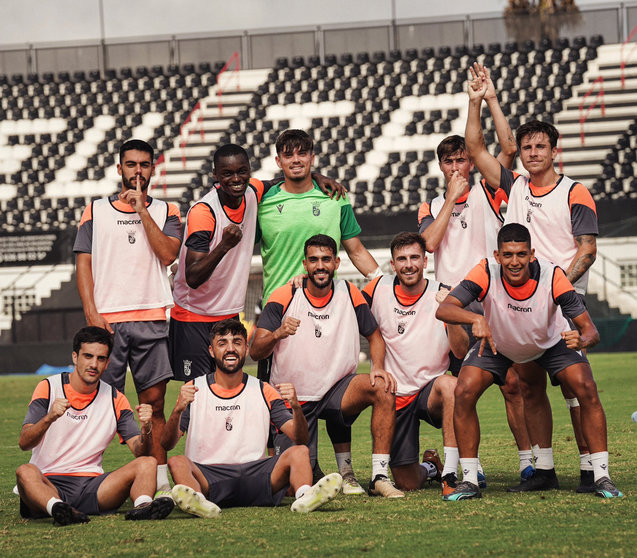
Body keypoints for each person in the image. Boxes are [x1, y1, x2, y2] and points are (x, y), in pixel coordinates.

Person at [465, 65, 600, 492]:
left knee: (576, 390)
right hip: (516, 302)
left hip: (560, 303)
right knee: (528, 384)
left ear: (555, 150)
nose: (533, 153)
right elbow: (476, 146)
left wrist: (558, 286)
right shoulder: (514, 185)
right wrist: (481, 100)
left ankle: (590, 469)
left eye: (541, 146)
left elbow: (588, 249)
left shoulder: (574, 192)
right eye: (527, 147)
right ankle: (544, 469)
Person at [436, 223, 622, 500]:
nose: (514, 262)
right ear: (498, 255)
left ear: (532, 254)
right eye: (508, 255)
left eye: (521, 254)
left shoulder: (552, 275)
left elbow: (590, 329)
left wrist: (582, 340)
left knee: (586, 387)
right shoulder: (485, 271)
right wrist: (476, 318)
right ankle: (470, 480)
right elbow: (444, 308)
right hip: (500, 344)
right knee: (464, 391)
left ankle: (602, 476)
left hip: (551, 343)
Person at [418, 64, 534, 485]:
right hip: (454, 303)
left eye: (461, 160)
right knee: (462, 386)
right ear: (441, 167)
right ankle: (468, 465)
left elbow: (504, 146)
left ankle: (527, 460)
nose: (456, 167)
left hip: (494, 295)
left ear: (470, 161)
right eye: (448, 162)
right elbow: (429, 244)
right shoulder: (432, 205)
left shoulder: (489, 189)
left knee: (513, 383)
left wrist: (485, 99)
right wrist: (450, 199)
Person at [256, 129, 382, 493]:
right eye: (288, 155)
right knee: (275, 406)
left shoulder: (334, 198)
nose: (296, 160)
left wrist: (380, 283)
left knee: (334, 384)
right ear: (278, 160)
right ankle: (283, 467)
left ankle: (344, 472)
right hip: (281, 315)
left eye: (303, 154)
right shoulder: (262, 198)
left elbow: (355, 248)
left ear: (313, 157)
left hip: (327, 307)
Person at [169, 143, 346, 382]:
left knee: (229, 390)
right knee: (196, 393)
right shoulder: (204, 212)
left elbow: (280, 180)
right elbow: (193, 277)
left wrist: (315, 175)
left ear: (250, 171)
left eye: (242, 171)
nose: (236, 179)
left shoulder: (252, 191)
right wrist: (224, 245)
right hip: (194, 317)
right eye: (227, 174)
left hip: (229, 314)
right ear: (215, 176)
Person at [250, 234, 403, 498]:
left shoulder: (349, 292)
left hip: (337, 389)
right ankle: (317, 472)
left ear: (336, 262)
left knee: (383, 388)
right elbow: (255, 350)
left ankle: (375, 476)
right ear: (305, 265)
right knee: (289, 487)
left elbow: (375, 336)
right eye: (313, 260)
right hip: (294, 399)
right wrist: (277, 333)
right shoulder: (286, 295)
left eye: (325, 259)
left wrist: (377, 366)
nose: (320, 266)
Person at [74, 139, 181, 494]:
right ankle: (80, 476)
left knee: (154, 405)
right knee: (97, 405)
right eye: (131, 164)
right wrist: (92, 313)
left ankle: (160, 483)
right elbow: (84, 263)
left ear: (153, 168)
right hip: (107, 324)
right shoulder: (95, 210)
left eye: (145, 164)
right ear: (119, 168)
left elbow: (168, 254)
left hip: (152, 317)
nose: (138, 171)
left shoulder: (169, 210)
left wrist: (142, 211)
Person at [161, 318, 342, 515]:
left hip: (257, 474)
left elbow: (300, 438)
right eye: (222, 343)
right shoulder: (194, 388)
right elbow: (167, 443)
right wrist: (177, 410)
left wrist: (297, 408)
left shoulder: (264, 389)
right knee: (177, 461)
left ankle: (305, 497)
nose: (230, 349)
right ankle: (200, 503)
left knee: (299, 452)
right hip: (209, 476)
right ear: (212, 351)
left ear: (246, 349)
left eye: (237, 342)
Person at [16, 327, 175, 525]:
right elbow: (24, 442)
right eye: (88, 356)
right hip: (48, 483)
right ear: (75, 357)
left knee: (148, 463)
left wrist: (146, 428)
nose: (94, 364)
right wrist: (49, 418)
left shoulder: (115, 398)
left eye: (101, 358)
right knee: (25, 471)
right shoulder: (48, 387)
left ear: (108, 363)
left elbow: (140, 451)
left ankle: (143, 506)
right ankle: (58, 508)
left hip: (92, 486)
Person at [362, 232, 469, 497]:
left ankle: (451, 475)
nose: (408, 264)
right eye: (402, 259)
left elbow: (461, 350)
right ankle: (431, 467)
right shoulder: (377, 289)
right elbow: (342, 303)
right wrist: (303, 282)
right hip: (395, 395)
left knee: (450, 385)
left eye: (414, 258)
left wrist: (450, 315)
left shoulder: (443, 293)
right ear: (392, 264)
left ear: (425, 261)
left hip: (429, 392)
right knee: (408, 481)